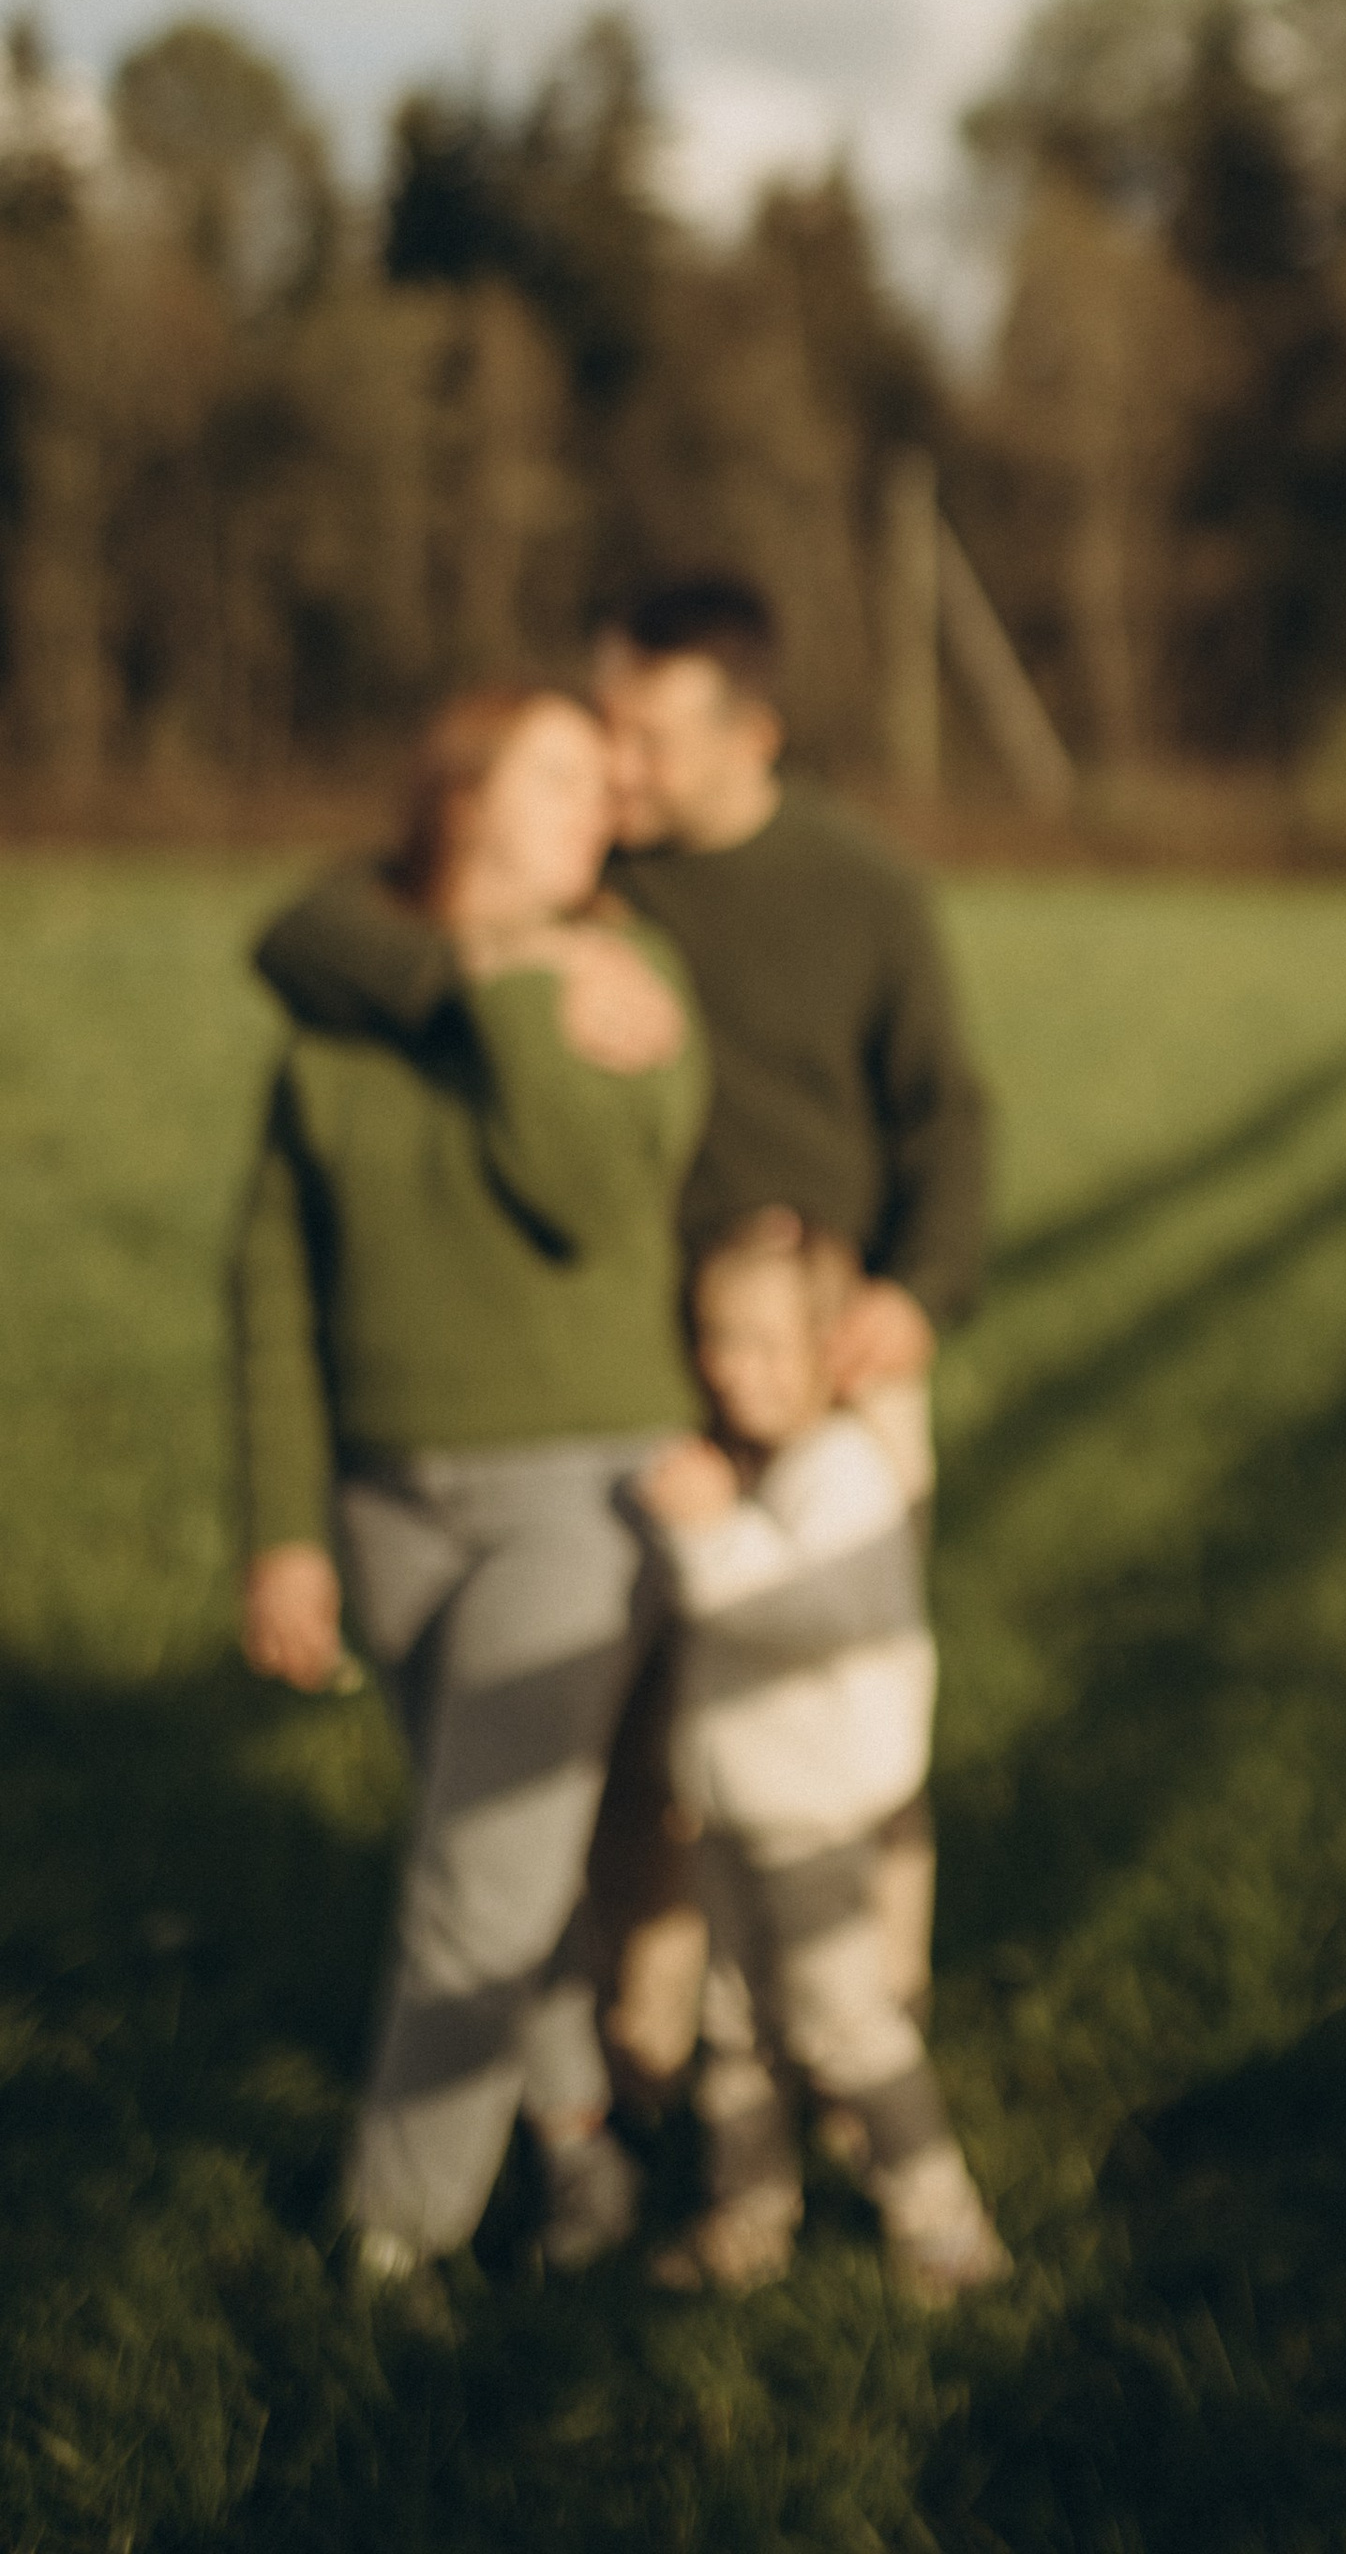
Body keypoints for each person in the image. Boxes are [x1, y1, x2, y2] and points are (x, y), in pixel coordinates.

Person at [252, 572, 989, 2058]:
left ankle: (859, 2027)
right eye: (604, 735)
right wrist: (496, 961)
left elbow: (947, 1117)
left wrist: (918, 1296)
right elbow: (299, 933)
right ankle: (659, 2050)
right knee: (654, 1737)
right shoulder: (600, 883)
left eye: (649, 740)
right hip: (664, 1359)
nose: (619, 772)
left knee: (845, 1710)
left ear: (752, 732)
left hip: (836, 1359)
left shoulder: (863, 887)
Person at [233, 686, 709, 2294]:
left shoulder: (629, 987)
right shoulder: (347, 1002)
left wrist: (519, 989)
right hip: (382, 1506)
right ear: (462, 799)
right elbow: (275, 1292)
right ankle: (579, 2161)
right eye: (569, 775)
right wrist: (287, 1531)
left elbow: (583, 1195)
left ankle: (388, 2235)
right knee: (493, 1861)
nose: (612, 807)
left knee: (476, 1881)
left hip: (581, 1500)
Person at [635, 1209, 1007, 2300]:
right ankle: (748, 2216)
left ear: (828, 1349)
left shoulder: (847, 1474)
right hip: (740, 1809)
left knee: (846, 2024)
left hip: (816, 1818)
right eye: (715, 1338)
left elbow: (800, 1608)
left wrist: (705, 1530)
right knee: (733, 2027)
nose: (730, 1368)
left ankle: (944, 2226)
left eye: (762, 1343)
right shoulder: (766, 1463)